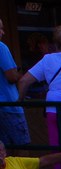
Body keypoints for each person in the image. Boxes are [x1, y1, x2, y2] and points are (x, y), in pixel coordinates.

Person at [0, 19, 30, 148]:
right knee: (21, 148)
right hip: (9, 106)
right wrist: (19, 75)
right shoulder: (1, 47)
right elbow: (11, 77)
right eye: (0, 28)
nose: (3, 32)